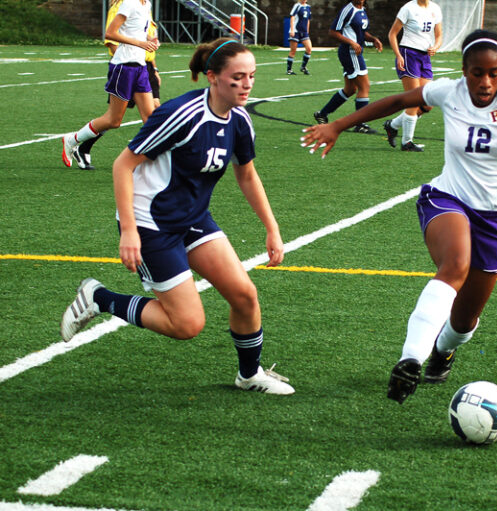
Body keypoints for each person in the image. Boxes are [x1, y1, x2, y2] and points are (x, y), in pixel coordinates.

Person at [301, 30, 497, 404]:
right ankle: (410, 359)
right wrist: (338, 125)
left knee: (464, 321)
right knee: (455, 265)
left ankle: (444, 349)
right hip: (448, 198)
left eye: (493, 73)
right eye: (477, 73)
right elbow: (397, 99)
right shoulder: (449, 91)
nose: (485, 82)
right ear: (463, 71)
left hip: (495, 216)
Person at [60, 38, 294, 395]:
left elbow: (246, 174)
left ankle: (249, 375)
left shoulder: (241, 120)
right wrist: (129, 232)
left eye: (251, 76)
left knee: (244, 295)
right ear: (213, 77)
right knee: (186, 324)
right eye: (238, 77)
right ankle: (100, 298)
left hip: (193, 218)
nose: (247, 84)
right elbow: (123, 165)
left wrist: (272, 229)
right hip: (150, 223)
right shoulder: (180, 114)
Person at [62, 0, 159, 169]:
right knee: (113, 121)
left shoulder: (147, 4)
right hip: (124, 67)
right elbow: (110, 33)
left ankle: (152, 161)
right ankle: (72, 139)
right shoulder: (130, 3)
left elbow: (137, 31)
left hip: (140, 67)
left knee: (150, 117)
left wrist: (151, 39)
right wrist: (141, 43)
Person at [313, 0, 383, 134]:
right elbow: (333, 32)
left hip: (355, 52)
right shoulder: (348, 10)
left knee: (350, 89)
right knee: (365, 86)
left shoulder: (361, 9)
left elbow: (361, 32)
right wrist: (351, 42)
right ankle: (360, 124)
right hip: (350, 53)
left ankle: (322, 114)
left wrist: (373, 39)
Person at [383, 0, 442, 152]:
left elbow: (439, 34)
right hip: (408, 53)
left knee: (427, 103)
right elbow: (392, 34)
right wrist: (398, 55)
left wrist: (435, 47)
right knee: (413, 101)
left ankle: (393, 125)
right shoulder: (408, 8)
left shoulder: (435, 8)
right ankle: (407, 142)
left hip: (424, 57)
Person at [286, 0, 313, 75]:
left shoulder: (308, 7)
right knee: (293, 51)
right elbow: (292, 17)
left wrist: (307, 31)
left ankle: (303, 67)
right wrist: (292, 30)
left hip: (304, 32)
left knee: (309, 49)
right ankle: (289, 70)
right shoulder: (297, 6)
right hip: (296, 31)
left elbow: (308, 20)